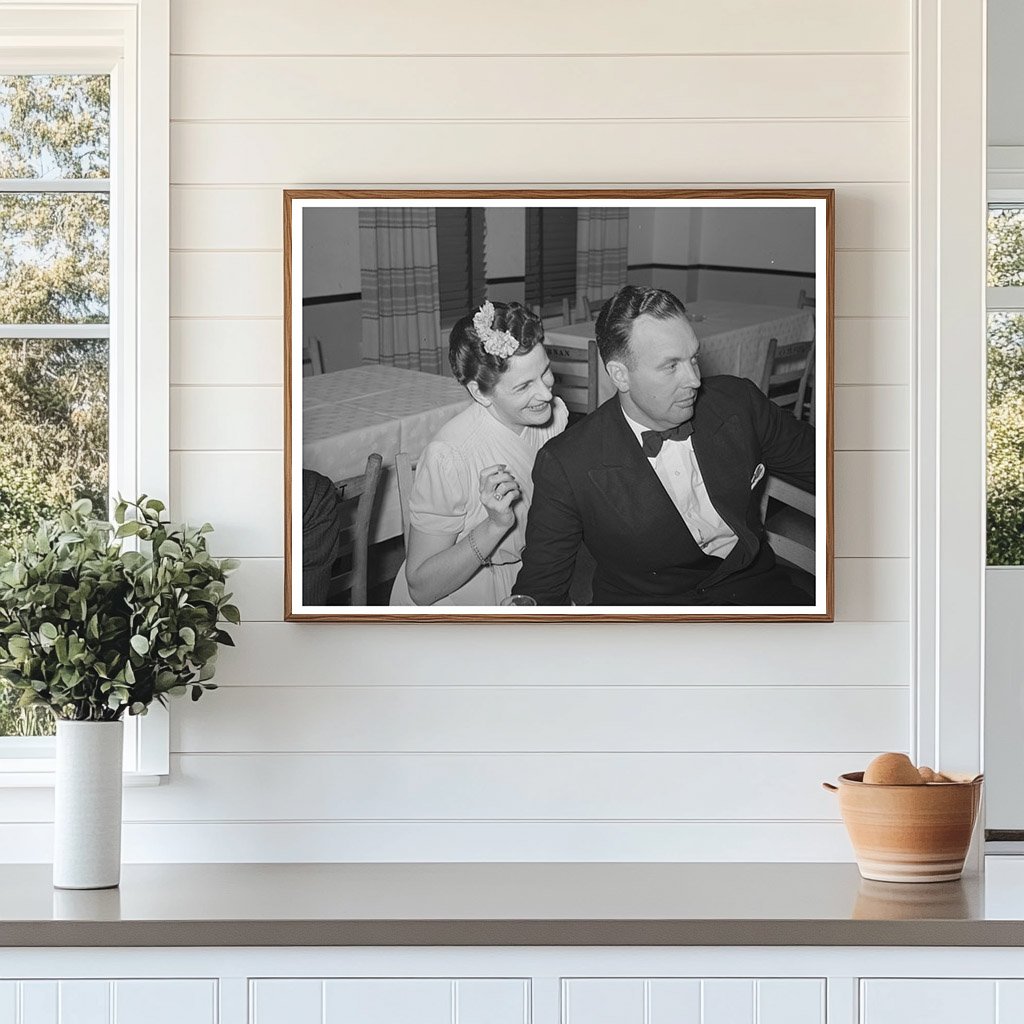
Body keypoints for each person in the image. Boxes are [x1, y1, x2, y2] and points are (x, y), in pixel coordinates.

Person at [512, 285, 816, 606]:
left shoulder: (739, 403)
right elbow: (541, 589)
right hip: (647, 618)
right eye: (671, 365)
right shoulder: (567, 462)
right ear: (620, 375)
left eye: (693, 359)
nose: (694, 380)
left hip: (756, 591)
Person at [390, 300, 568, 606]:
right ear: (479, 392)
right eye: (524, 386)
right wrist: (495, 525)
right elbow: (421, 587)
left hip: (538, 578)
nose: (546, 393)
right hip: (464, 593)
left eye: (546, 372)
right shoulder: (449, 456)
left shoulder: (555, 418)